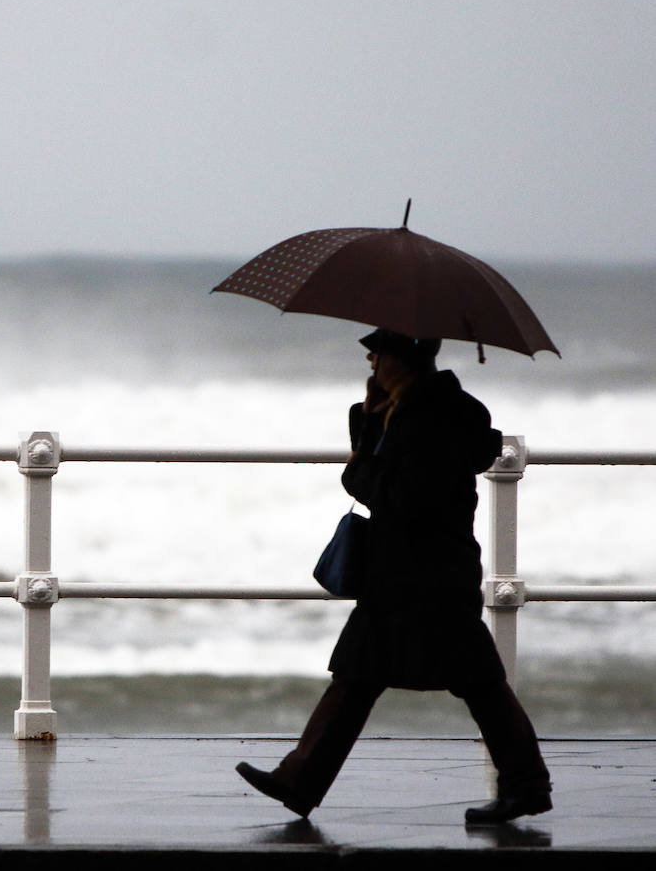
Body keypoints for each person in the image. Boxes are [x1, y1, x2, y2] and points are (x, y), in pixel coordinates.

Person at [235, 328, 550, 824]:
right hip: (424, 569)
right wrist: (369, 417)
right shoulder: (435, 409)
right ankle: (300, 779)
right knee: (367, 675)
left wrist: (359, 466)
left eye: (378, 352)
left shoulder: (427, 417)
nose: (371, 360)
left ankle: (526, 785)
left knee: (466, 680)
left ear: (404, 359)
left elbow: (402, 495)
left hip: (421, 574)